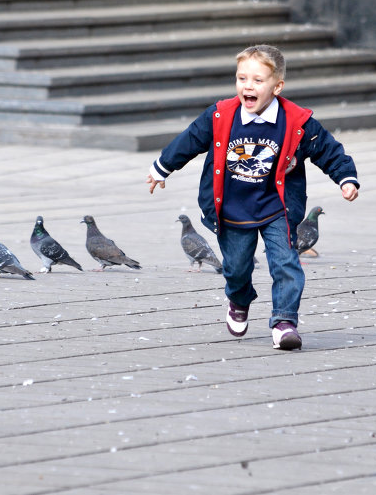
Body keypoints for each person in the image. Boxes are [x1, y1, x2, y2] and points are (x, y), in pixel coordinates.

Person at [146, 44, 359, 350]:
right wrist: (161, 168)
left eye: (258, 80)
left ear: (277, 86)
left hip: (278, 207)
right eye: (242, 78)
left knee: (286, 262)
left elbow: (327, 148)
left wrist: (345, 177)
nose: (248, 86)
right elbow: (189, 140)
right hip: (232, 206)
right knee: (236, 267)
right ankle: (239, 297)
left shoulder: (296, 122)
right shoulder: (220, 115)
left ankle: (284, 322)